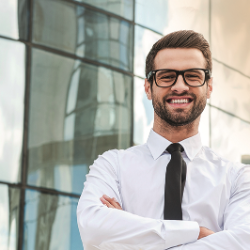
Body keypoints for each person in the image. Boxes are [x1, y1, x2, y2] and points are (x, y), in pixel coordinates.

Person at [77, 30, 250, 250]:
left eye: (193, 75)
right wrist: (197, 233)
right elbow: (94, 229)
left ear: (210, 87)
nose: (180, 86)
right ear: (148, 88)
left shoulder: (238, 179)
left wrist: (131, 236)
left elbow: (243, 243)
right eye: (167, 76)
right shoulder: (113, 166)